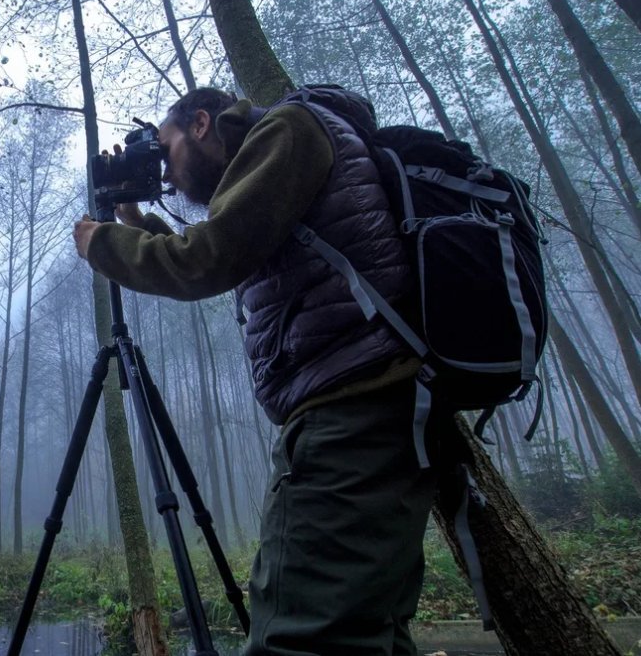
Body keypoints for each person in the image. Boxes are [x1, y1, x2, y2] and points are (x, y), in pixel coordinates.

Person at [73, 86, 439, 656]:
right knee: (367, 636)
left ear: (200, 124)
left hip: (349, 415)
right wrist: (134, 219)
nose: (167, 176)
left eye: (164, 153)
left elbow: (207, 259)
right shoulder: (285, 153)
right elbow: (232, 247)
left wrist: (105, 245)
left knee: (298, 636)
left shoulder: (285, 130)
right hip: (371, 407)